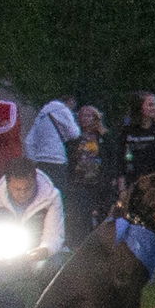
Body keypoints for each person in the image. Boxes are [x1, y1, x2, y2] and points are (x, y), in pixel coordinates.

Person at [0, 157, 67, 308]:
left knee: (53, 266)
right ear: (8, 183)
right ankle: (11, 306)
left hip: (37, 253)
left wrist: (44, 250)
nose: (22, 193)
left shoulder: (51, 197)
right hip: (3, 254)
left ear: (35, 181)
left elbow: (55, 235)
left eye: (27, 188)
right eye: (17, 189)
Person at [21, 94, 83, 228]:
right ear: (70, 101)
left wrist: (33, 161)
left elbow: (28, 141)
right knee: (57, 199)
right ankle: (57, 230)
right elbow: (75, 133)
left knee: (41, 198)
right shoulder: (63, 110)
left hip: (40, 163)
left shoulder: (42, 114)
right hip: (57, 161)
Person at [67, 102, 114, 240]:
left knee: (102, 212)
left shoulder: (103, 135)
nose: (84, 118)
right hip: (80, 180)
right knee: (82, 213)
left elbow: (112, 154)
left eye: (88, 115)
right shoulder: (75, 136)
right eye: (82, 115)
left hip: (99, 179)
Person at [117, 92, 155, 184]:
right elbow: (120, 159)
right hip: (132, 180)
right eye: (150, 105)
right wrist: (122, 185)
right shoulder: (127, 130)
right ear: (139, 107)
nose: (154, 108)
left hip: (154, 182)